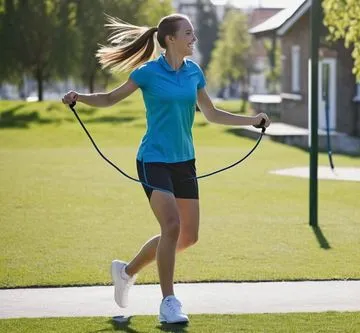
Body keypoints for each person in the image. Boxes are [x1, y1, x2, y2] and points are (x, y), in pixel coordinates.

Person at [62, 13, 270, 324]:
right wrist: (81, 98)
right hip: (153, 159)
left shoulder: (194, 73)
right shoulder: (147, 72)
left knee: (187, 237)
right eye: (188, 33)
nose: (194, 39)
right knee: (171, 226)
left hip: (184, 161)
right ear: (170, 39)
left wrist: (252, 121)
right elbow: (109, 98)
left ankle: (126, 271)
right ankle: (168, 302)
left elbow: (211, 114)